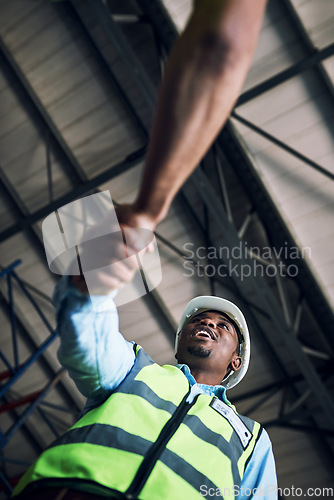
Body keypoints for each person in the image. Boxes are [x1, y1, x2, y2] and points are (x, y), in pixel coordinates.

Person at [12, 0, 277, 498]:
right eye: (203, 319)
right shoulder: (132, 370)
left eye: (223, 328)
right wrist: (91, 277)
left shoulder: (252, 445)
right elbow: (85, 333)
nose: (209, 324)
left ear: (236, 361)